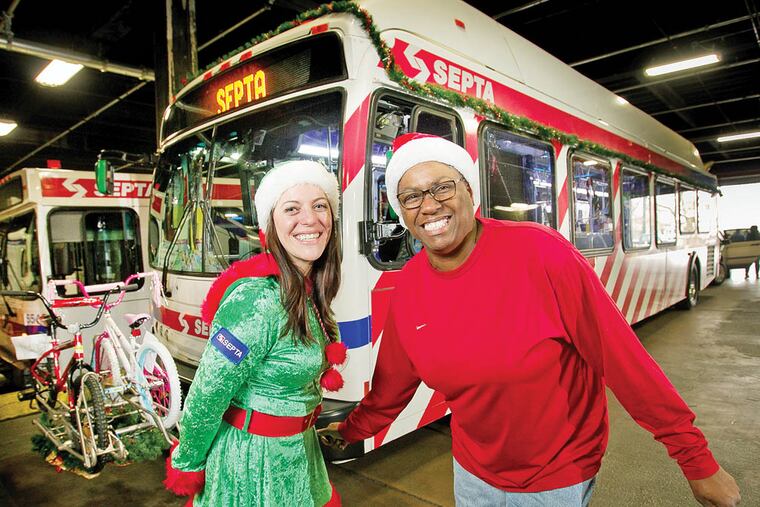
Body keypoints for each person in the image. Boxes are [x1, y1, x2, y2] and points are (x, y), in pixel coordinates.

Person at [319, 133, 741, 507]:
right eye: (411, 196)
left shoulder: (541, 254)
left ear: (469, 189)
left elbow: (622, 359)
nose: (429, 206)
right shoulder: (410, 284)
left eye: (442, 187)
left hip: (557, 474)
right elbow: (394, 379)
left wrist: (694, 458)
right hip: (473, 472)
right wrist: (353, 430)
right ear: (401, 210)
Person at [164, 160, 346, 506]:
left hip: (299, 454)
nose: (310, 219)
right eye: (292, 208)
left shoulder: (307, 289)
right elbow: (208, 393)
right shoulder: (256, 299)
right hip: (252, 465)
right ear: (270, 226)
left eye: (320, 206)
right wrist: (187, 463)